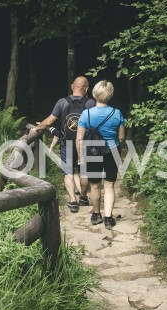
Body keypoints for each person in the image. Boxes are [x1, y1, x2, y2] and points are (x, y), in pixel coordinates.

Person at [30, 76, 95, 213]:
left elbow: (48, 122)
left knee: (68, 173)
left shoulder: (62, 102)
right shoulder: (91, 103)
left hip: (67, 142)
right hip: (84, 143)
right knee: (84, 172)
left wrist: (37, 128)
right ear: (87, 89)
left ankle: (72, 201)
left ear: (72, 86)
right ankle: (83, 197)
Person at [76, 80, 125, 229]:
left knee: (95, 186)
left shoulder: (86, 114)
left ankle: (96, 215)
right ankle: (109, 218)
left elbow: (79, 139)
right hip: (112, 150)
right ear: (110, 95)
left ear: (95, 93)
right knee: (109, 185)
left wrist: (80, 157)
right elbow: (122, 137)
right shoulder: (117, 113)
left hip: (92, 149)